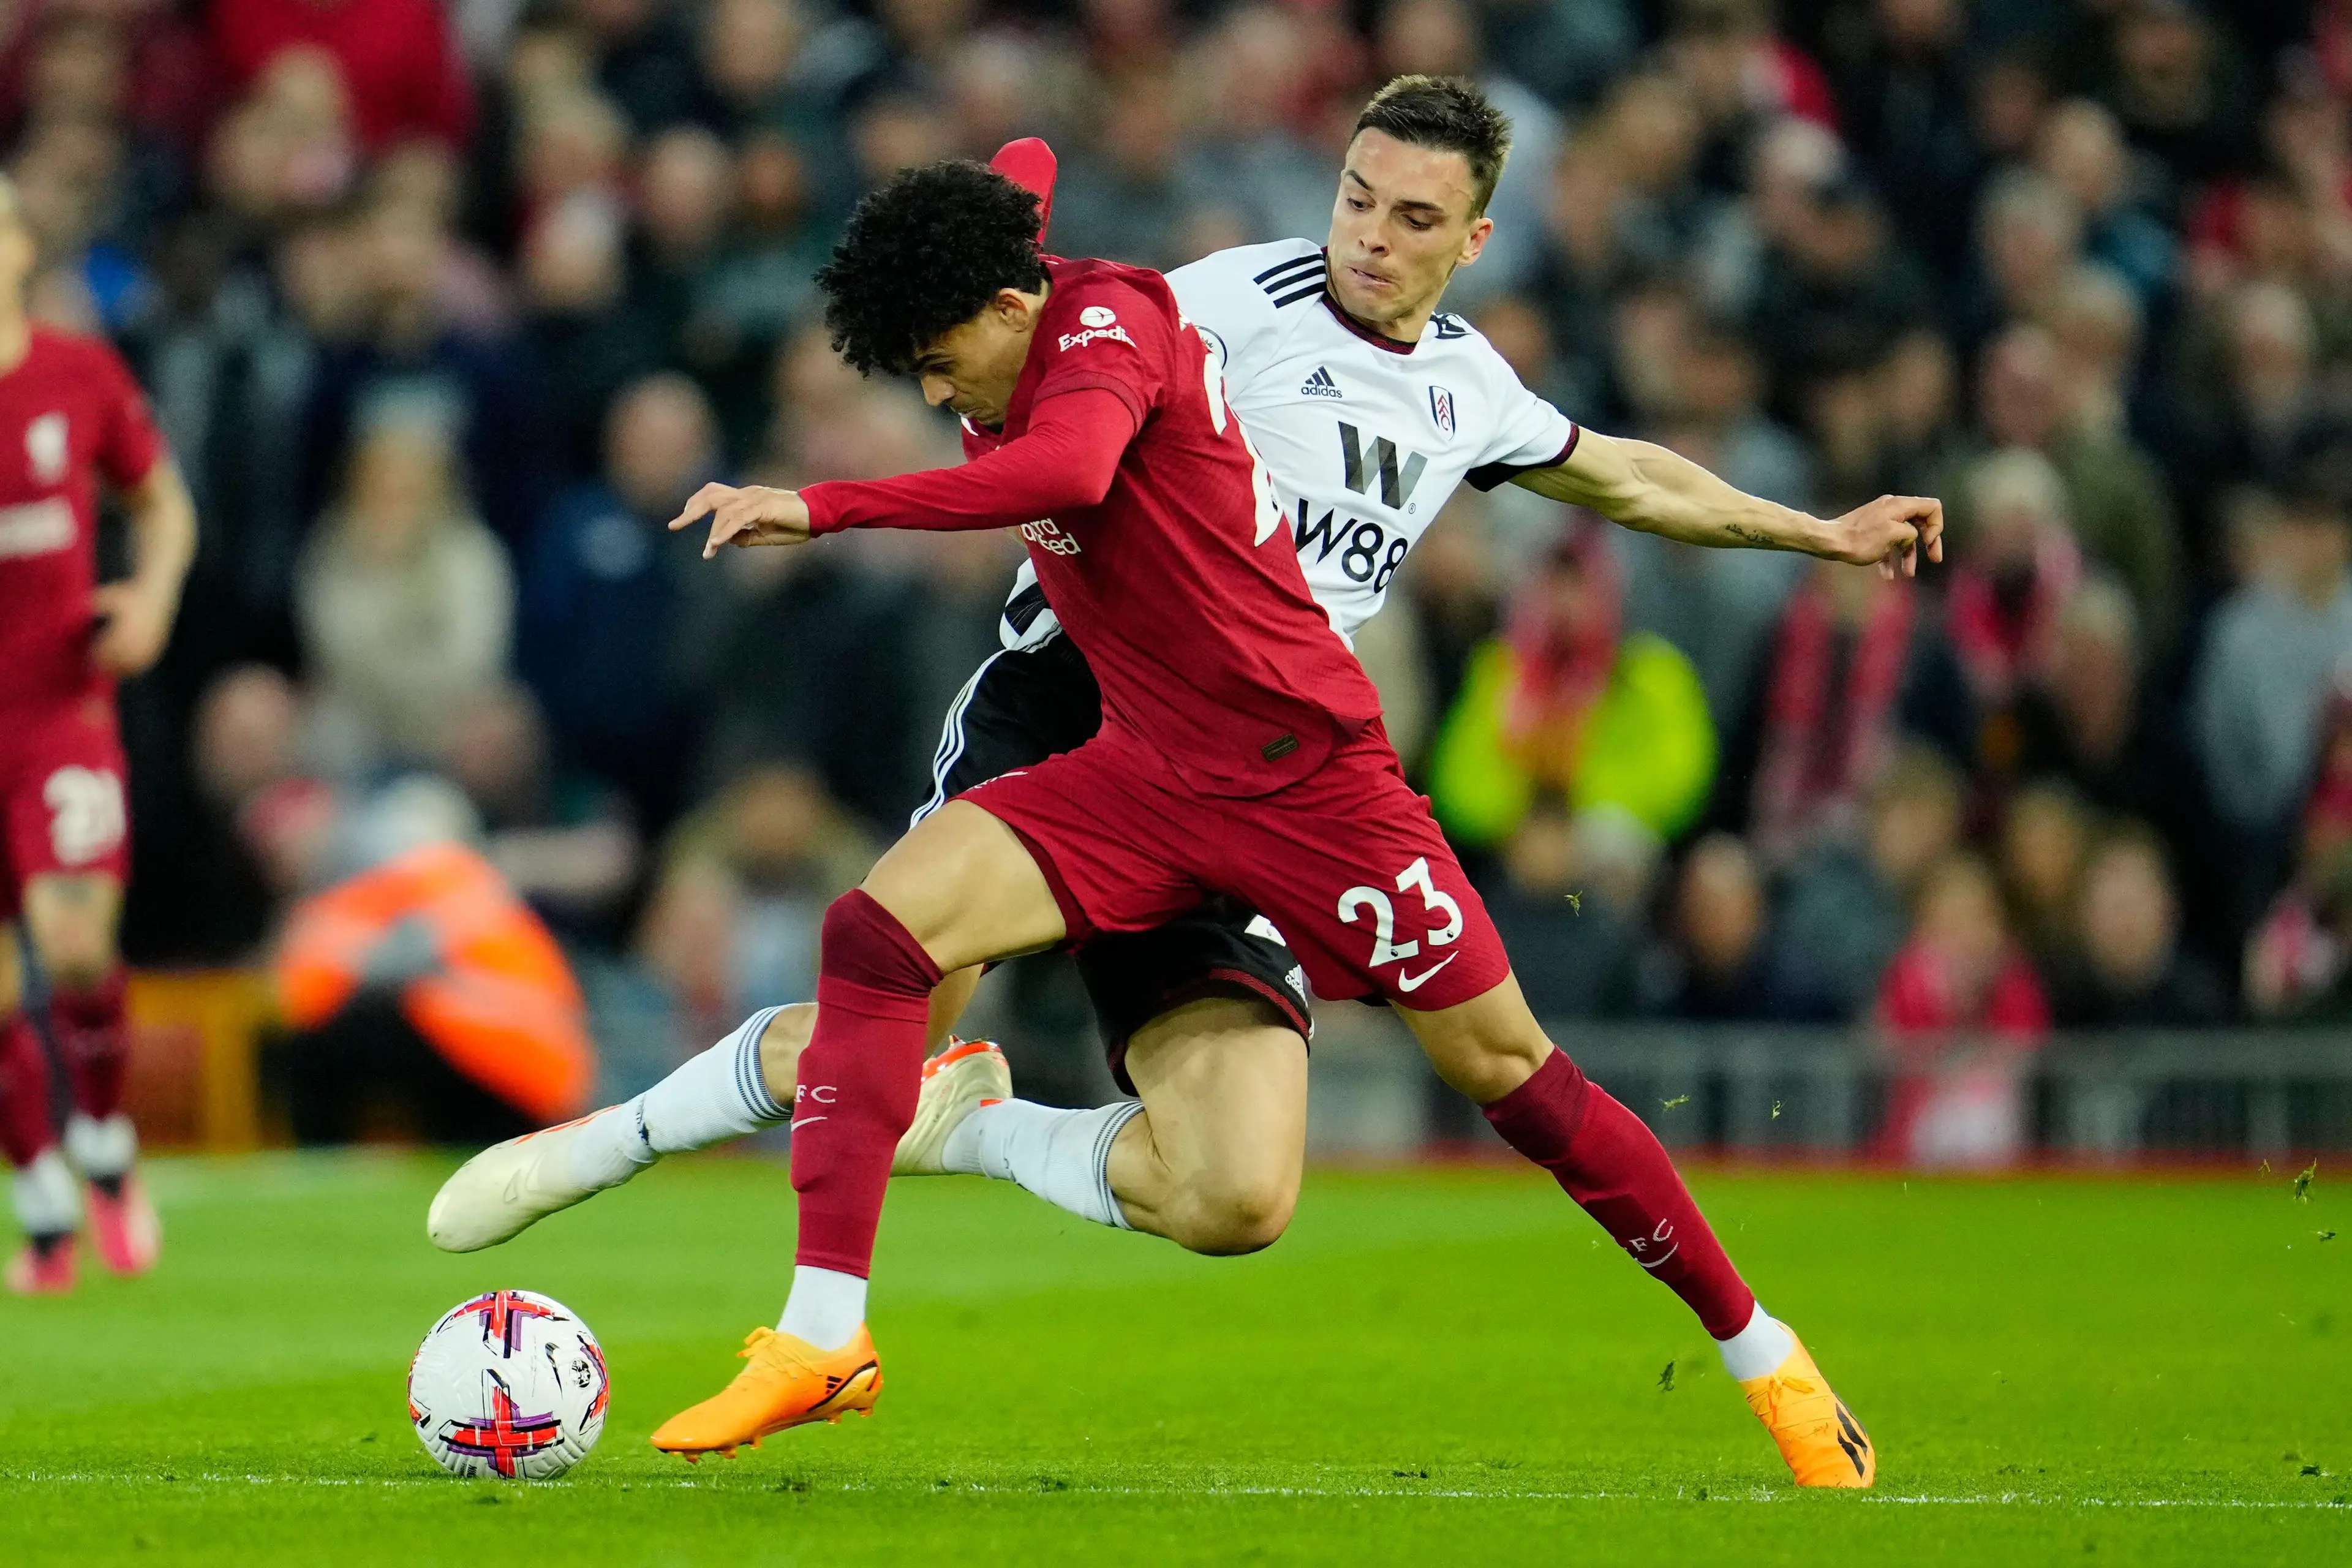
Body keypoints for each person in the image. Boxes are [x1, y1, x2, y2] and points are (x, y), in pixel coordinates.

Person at [435, 86, 1933, 1481]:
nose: (1370, 232)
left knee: (1253, 1187)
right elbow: (1038, 334)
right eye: (1357, 196)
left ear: (1475, 241)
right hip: (1077, 703)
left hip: (1289, 763)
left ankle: (978, 1128)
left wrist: (1819, 532)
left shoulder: (1470, 388)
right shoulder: (1216, 299)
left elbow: (1625, 475)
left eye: (1416, 218)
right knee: (885, 979)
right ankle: (630, 1165)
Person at [0, 175, 198, 1294]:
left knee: (75, 944)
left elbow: (162, 501)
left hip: (56, 712)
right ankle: (40, 1209)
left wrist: (155, 596)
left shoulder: (77, 375)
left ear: (20, 245)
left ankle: (109, 1153)